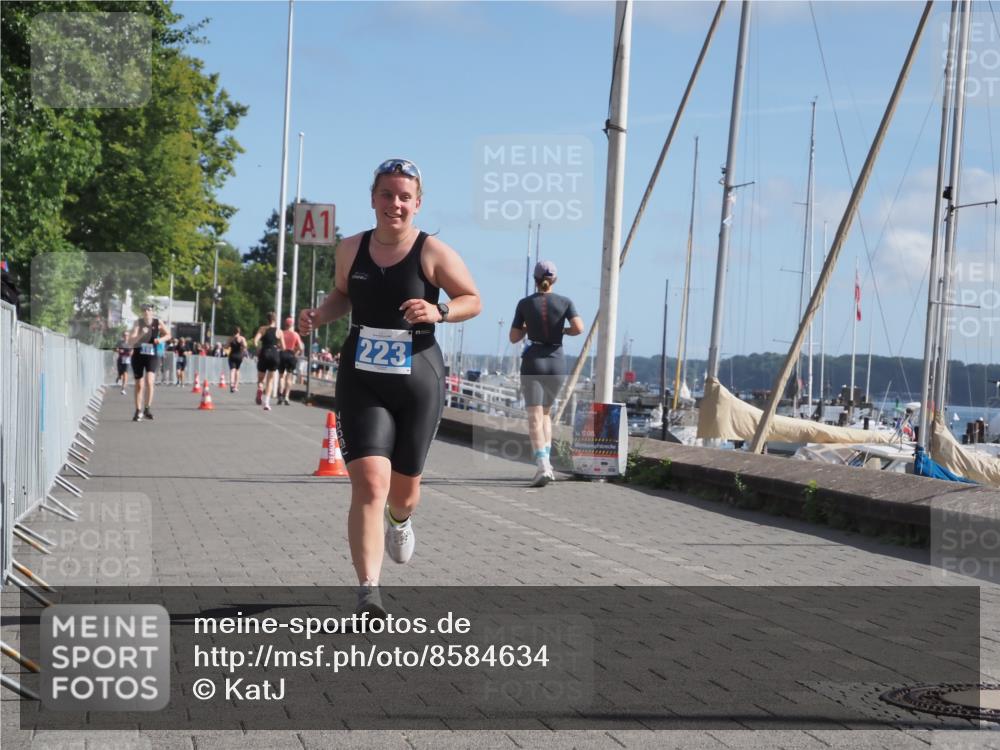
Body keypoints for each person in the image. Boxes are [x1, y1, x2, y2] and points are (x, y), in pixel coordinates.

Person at [299, 158, 480, 616]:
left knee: (402, 493)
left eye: (404, 196)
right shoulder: (350, 249)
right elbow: (344, 293)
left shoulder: (432, 252)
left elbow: (472, 299)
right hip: (361, 376)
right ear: (373, 198)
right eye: (387, 194)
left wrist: (440, 312)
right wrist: (321, 314)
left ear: (417, 204)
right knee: (368, 482)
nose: (394, 204)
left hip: (418, 377)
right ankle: (368, 592)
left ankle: (401, 520)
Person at [510, 260, 584, 486]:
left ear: (535, 279)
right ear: (555, 280)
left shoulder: (524, 304)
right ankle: (548, 464)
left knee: (534, 416)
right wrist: (561, 330)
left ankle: (542, 466)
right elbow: (579, 328)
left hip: (534, 362)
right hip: (556, 362)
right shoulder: (565, 302)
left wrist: (528, 328)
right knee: (545, 415)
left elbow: (514, 337)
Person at [124, 303, 171, 422]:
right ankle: (138, 410)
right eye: (144, 310)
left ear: (152, 312)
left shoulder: (157, 322)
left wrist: (159, 340)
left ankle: (147, 408)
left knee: (150, 381)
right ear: (142, 312)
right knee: (139, 385)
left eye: (148, 310)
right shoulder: (138, 323)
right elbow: (130, 341)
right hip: (138, 355)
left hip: (152, 354)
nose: (146, 312)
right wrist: (141, 334)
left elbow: (168, 335)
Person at [253, 312, 284, 410]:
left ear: (268, 319)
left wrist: (258, 349)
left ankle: (260, 388)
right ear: (275, 320)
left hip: (264, 353)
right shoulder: (279, 331)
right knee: (270, 380)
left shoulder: (262, 329)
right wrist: (277, 346)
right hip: (274, 354)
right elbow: (284, 347)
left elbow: (255, 341)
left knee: (261, 379)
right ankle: (266, 403)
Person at [278, 317, 303, 405]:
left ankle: (280, 395)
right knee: (289, 377)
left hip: (282, 355)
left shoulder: (281, 333)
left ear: (285, 324)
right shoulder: (295, 335)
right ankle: (286, 397)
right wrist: (295, 354)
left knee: (281, 376)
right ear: (292, 325)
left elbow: (278, 345)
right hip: (291, 355)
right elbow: (301, 347)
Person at [228, 327, 247, 393]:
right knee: (237, 370)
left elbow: (226, 346)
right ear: (239, 332)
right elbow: (245, 346)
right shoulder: (242, 338)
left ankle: (231, 384)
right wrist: (242, 346)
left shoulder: (231, 338)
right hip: (239, 356)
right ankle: (236, 386)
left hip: (232, 355)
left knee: (232, 370)